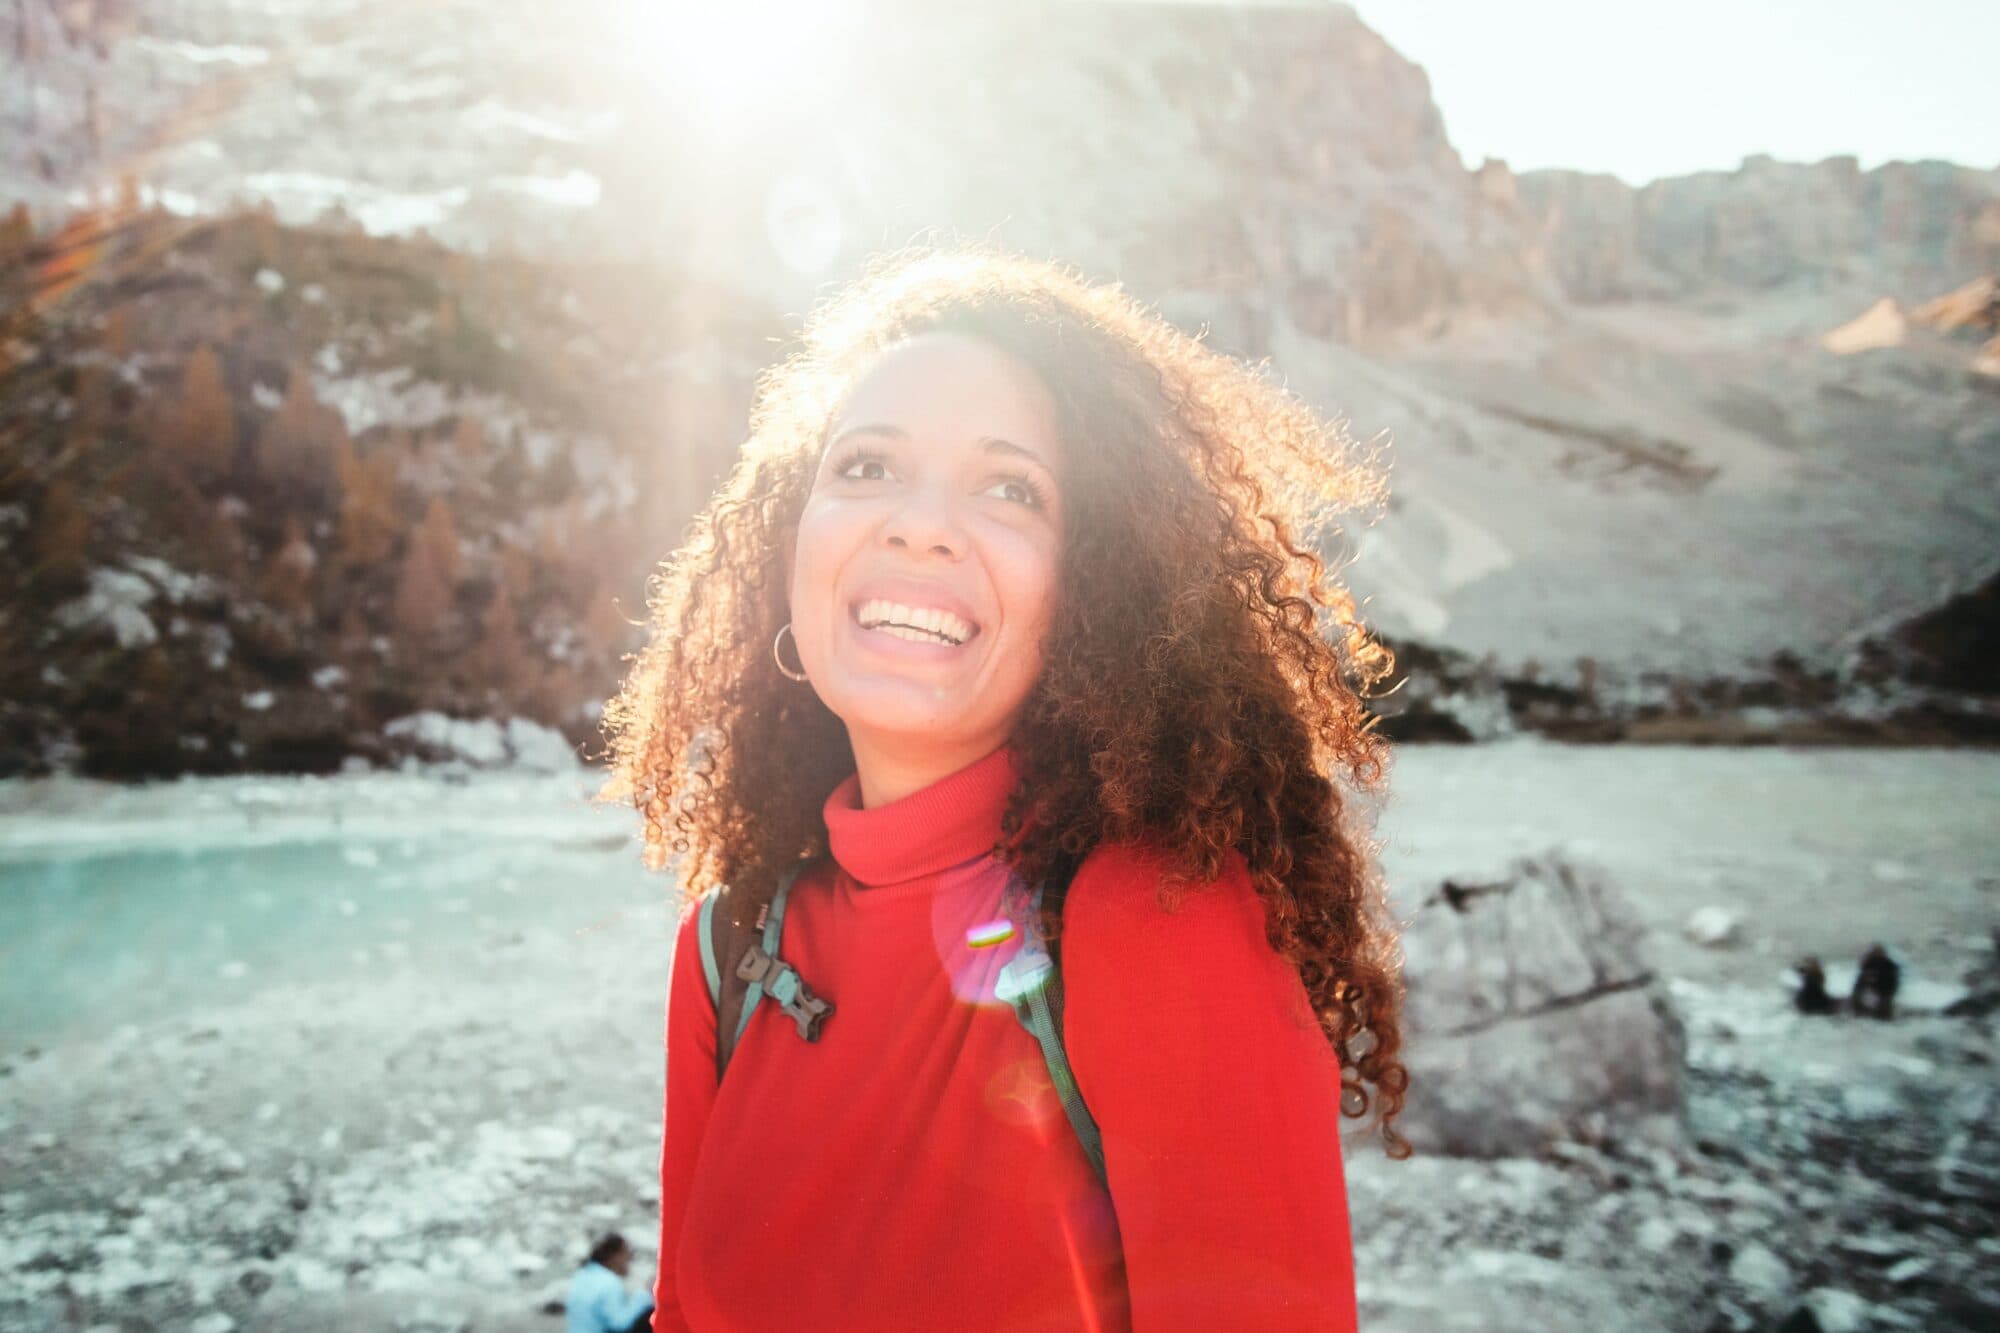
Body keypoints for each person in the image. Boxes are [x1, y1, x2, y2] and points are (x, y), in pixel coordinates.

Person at [599, 245, 1410, 1331]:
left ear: (1095, 588)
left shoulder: (1157, 918)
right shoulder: (729, 945)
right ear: (785, 548)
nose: (918, 523)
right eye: (865, 467)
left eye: (1008, 487)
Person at [564, 1232, 655, 1333]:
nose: (629, 1263)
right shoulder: (609, 1282)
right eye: (627, 1257)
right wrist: (643, 1295)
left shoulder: (583, 1274)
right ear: (616, 1257)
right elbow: (620, 1323)